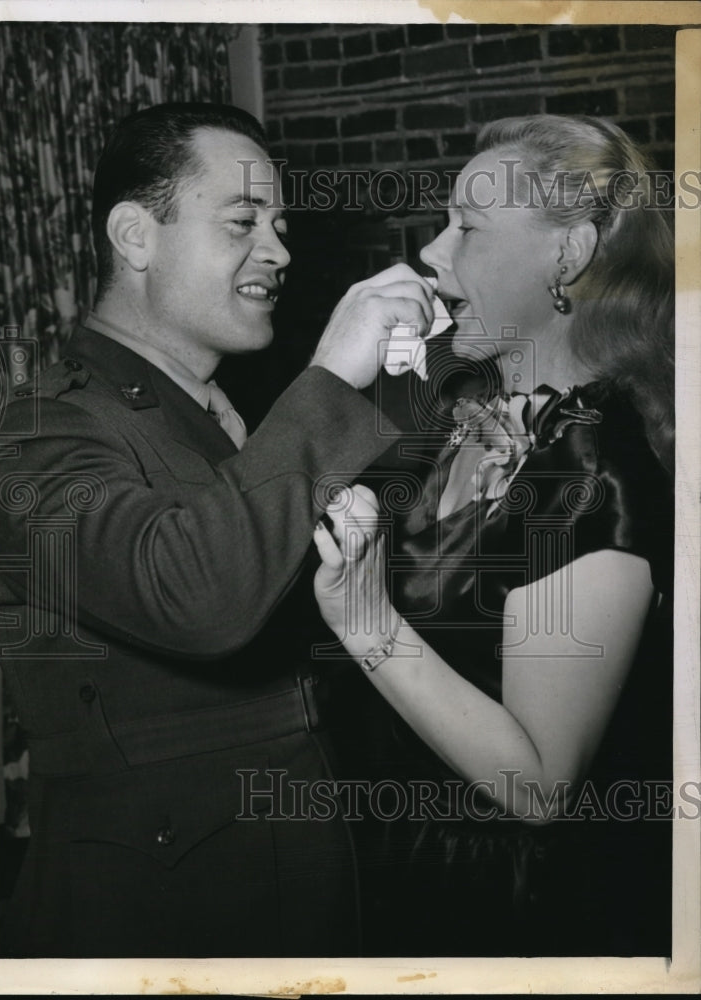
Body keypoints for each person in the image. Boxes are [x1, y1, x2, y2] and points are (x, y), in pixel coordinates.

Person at [0, 102, 437, 958]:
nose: (277, 250)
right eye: (241, 222)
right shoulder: (36, 427)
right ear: (135, 236)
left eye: (278, 223)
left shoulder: (222, 419)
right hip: (158, 924)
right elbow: (194, 596)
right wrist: (331, 377)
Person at [313, 114, 674, 957]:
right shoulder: (466, 416)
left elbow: (541, 782)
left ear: (568, 254)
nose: (432, 256)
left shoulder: (595, 465)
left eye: (466, 229)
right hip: (392, 872)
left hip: (507, 910)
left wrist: (368, 625)